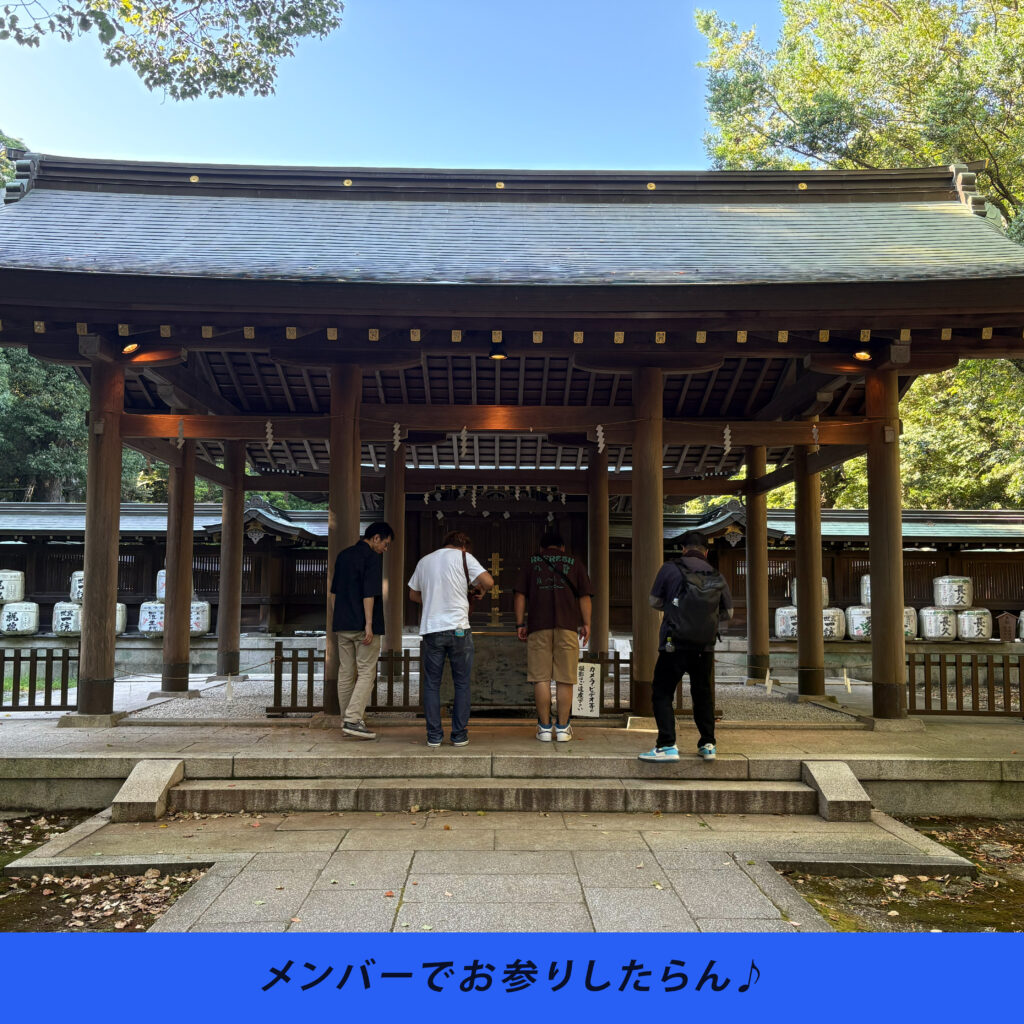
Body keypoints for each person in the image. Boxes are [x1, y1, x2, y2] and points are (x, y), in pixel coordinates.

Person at [638, 531, 733, 763]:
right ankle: (708, 744)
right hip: (704, 647)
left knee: (662, 691)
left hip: (674, 643)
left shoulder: (670, 568)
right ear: (706, 552)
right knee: (702, 694)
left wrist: (675, 610)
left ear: (683, 549)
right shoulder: (716, 575)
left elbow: (654, 601)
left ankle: (667, 745)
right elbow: (728, 613)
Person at [408, 530, 494, 748]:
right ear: (463, 546)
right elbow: (489, 581)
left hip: (432, 629)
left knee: (432, 684)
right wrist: (480, 590)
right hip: (458, 629)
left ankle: (434, 736)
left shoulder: (425, 561)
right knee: (462, 683)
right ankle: (459, 735)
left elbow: (413, 594)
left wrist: (433, 599)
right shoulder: (464, 557)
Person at [513, 529, 593, 742]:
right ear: (562, 547)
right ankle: (563, 728)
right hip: (567, 626)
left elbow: (520, 594)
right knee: (565, 679)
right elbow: (584, 596)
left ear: (541, 548)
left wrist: (520, 623)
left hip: (538, 626)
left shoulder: (531, 562)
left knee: (541, 678)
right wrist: (586, 623)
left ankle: (545, 728)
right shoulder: (574, 562)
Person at [329, 521, 394, 739]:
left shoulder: (343, 555)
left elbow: (334, 592)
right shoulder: (372, 557)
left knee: (346, 672)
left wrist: (338, 618)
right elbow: (369, 594)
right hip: (362, 626)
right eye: (385, 543)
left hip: (342, 624)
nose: (385, 548)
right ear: (376, 538)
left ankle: (346, 720)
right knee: (367, 672)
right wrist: (368, 624)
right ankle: (353, 719)